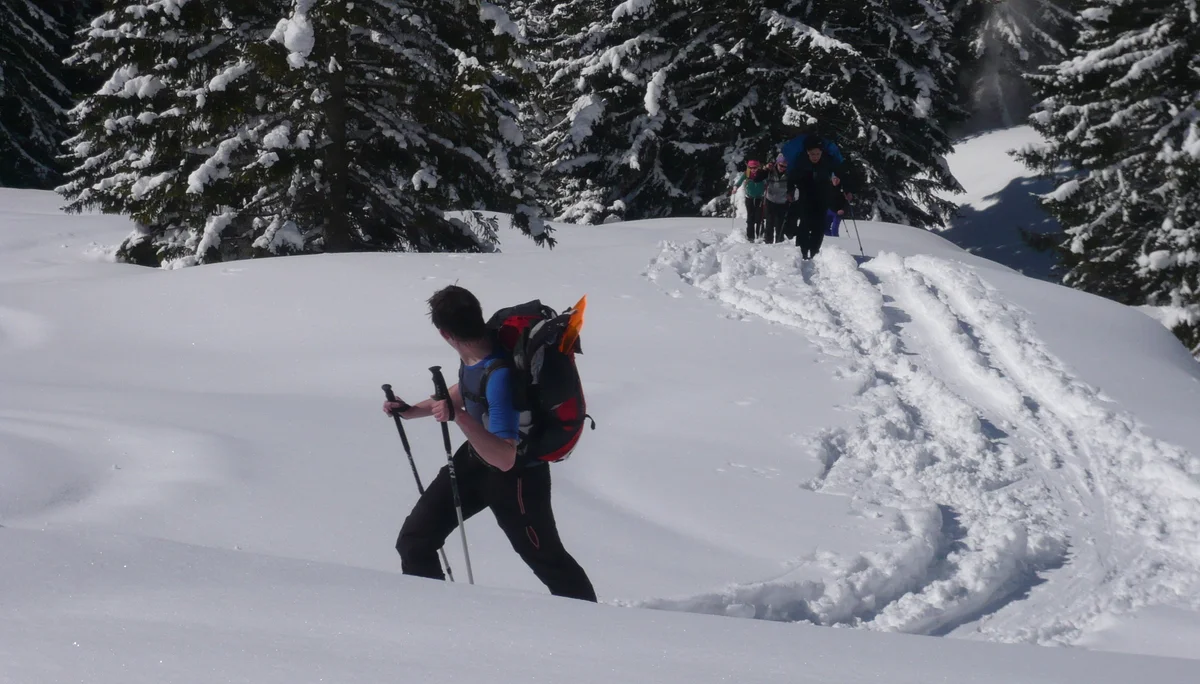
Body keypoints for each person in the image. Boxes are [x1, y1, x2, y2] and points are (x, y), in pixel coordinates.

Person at [383, 285, 598, 602]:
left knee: (549, 562)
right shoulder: (478, 355)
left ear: (444, 334)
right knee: (415, 541)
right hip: (474, 461)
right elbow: (467, 386)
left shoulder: (501, 376)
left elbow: (504, 457)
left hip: (518, 478)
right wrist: (413, 411)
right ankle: (432, 618)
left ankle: (595, 630)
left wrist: (459, 417)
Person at [786, 135, 853, 259]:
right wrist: (790, 191)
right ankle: (802, 251)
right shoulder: (801, 162)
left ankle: (814, 251)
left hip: (822, 196)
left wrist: (847, 190)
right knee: (805, 223)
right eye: (812, 154)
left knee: (819, 225)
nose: (815, 156)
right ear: (807, 152)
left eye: (817, 154)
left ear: (821, 152)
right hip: (805, 196)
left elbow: (841, 174)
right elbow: (792, 178)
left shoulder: (828, 161)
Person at [731, 160, 767, 242]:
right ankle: (750, 236)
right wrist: (735, 188)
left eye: (755, 167)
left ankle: (759, 235)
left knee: (759, 217)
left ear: (758, 167)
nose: (753, 169)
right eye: (751, 168)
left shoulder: (762, 174)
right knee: (750, 217)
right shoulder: (747, 174)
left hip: (759, 198)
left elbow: (767, 181)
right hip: (749, 198)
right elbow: (739, 182)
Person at [762, 155, 791, 244]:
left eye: (785, 166)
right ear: (777, 163)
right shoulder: (770, 171)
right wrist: (765, 169)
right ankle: (768, 242)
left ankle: (779, 243)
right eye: (781, 165)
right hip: (770, 200)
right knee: (769, 223)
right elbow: (757, 178)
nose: (783, 168)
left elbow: (793, 186)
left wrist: (791, 195)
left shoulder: (789, 173)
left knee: (780, 224)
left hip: (782, 201)